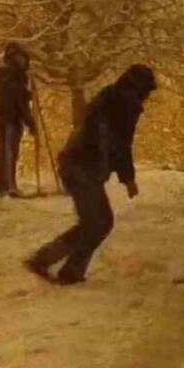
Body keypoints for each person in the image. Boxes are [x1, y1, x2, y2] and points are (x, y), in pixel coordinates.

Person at [25, 64, 157, 285]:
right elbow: (118, 144)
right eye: (147, 91)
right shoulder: (120, 105)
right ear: (139, 88)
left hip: (80, 165)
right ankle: (52, 263)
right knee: (99, 222)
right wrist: (127, 178)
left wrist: (122, 174)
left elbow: (116, 144)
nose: (147, 97)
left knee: (95, 222)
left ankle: (54, 263)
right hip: (81, 166)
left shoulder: (114, 100)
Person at [0, 42, 37, 197]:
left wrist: (26, 93)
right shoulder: (11, 74)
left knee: (7, 151)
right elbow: (18, 101)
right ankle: (8, 186)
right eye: (20, 57)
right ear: (13, 57)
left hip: (6, 116)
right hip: (8, 117)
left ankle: (1, 186)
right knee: (8, 151)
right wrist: (30, 121)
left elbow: (18, 97)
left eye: (23, 57)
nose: (23, 60)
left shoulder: (10, 74)